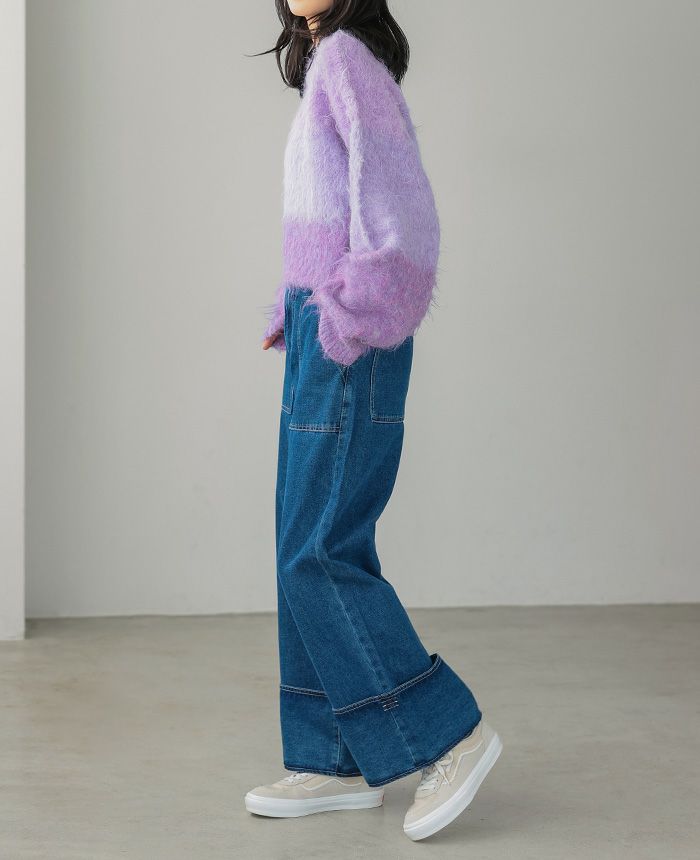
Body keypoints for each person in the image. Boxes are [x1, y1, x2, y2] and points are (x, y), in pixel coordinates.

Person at [248, 0, 501, 841]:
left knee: (318, 548)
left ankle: (447, 737)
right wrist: (298, 307)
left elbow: (404, 222)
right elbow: (328, 216)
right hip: (320, 331)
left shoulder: (349, 61)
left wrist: (348, 314)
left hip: (351, 339)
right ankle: (333, 758)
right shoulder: (330, 65)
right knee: (302, 543)